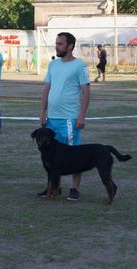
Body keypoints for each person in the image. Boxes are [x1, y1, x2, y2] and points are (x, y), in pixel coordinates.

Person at [38, 32, 90, 201]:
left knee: (73, 155)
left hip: (69, 119)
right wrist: (42, 112)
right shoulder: (53, 65)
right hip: (52, 119)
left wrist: (82, 116)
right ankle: (53, 188)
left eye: (60, 44)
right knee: (51, 156)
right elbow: (46, 88)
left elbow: (86, 91)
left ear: (70, 46)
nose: (57, 46)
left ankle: (74, 189)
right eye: (56, 43)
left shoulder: (79, 65)